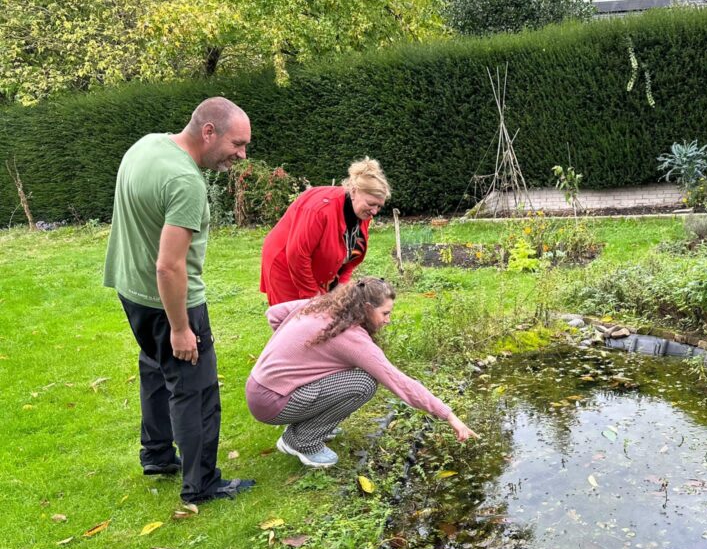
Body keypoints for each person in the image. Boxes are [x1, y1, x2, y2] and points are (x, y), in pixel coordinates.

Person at [103, 97, 255, 503]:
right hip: (170, 300)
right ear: (209, 132)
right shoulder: (186, 182)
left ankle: (156, 455)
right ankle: (201, 484)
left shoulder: (147, 145)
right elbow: (169, 267)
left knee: (155, 368)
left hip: (129, 289)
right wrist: (181, 328)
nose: (241, 155)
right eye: (237, 144)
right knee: (196, 388)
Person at [246, 277, 478, 467]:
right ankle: (301, 440)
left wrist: (298, 356)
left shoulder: (323, 306)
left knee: (347, 380)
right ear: (367, 308)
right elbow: (399, 382)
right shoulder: (351, 337)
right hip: (272, 403)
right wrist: (449, 416)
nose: (388, 320)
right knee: (364, 382)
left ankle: (308, 425)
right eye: (385, 313)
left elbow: (275, 314)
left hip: (259, 387)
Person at [259, 158, 390, 306]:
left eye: (379, 206)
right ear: (353, 191)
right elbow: (297, 255)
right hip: (285, 265)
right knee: (295, 319)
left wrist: (340, 290)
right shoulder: (320, 210)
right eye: (371, 204)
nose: (374, 212)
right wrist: (314, 297)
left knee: (327, 317)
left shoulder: (361, 212)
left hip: (316, 265)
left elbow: (350, 256)